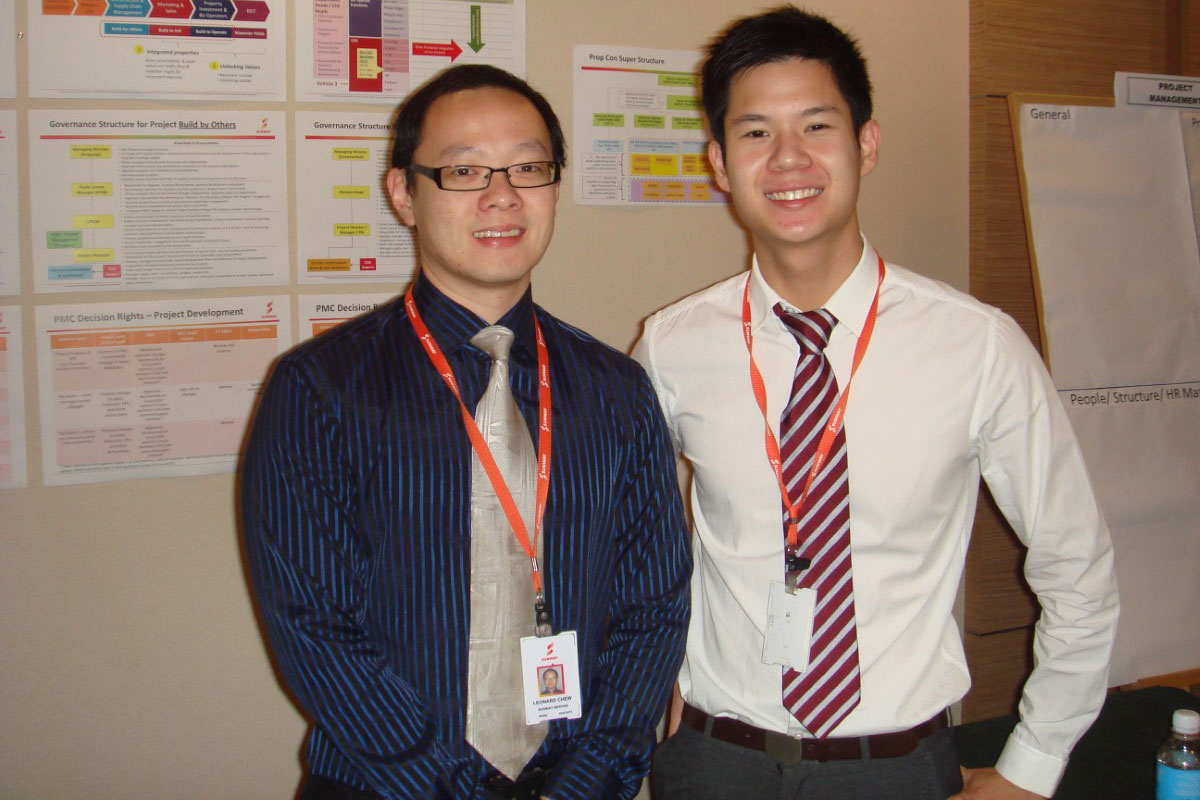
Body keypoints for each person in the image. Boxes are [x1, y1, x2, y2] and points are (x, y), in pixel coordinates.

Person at [633, 6, 1119, 800]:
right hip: (716, 764)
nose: (788, 159)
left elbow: (1079, 568)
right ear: (719, 162)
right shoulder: (671, 345)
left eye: (816, 125)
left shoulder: (978, 346)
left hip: (894, 769)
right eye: (755, 133)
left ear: (866, 143)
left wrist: (1031, 768)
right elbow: (641, 558)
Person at [242, 64, 691, 800]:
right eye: (463, 170)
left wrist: (588, 781)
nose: (502, 195)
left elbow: (656, 606)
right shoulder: (320, 388)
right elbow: (314, 626)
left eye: (529, 167)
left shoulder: (616, 389)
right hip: (386, 787)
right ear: (403, 194)